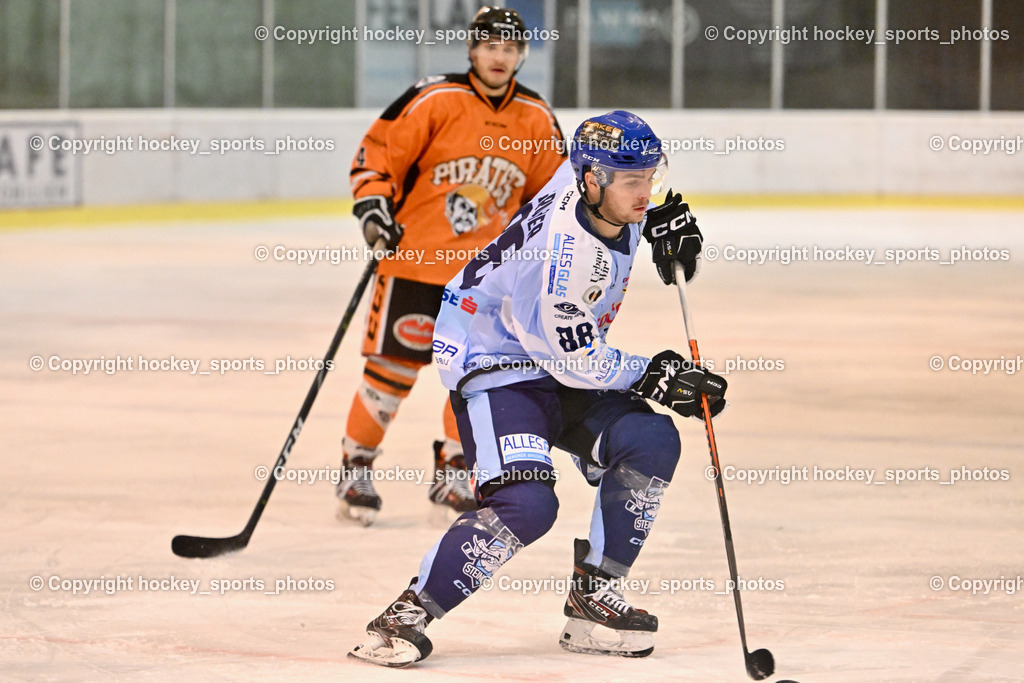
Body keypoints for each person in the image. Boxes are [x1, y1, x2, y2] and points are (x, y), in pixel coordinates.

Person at [348, 110, 728, 666]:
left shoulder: (585, 183)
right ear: (593, 181)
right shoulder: (564, 258)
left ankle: (593, 598)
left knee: (651, 440)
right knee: (526, 504)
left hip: (552, 356)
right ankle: (406, 614)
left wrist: (664, 219)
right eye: (633, 182)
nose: (645, 191)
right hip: (497, 363)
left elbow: (624, 201)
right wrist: (657, 375)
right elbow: (574, 359)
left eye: (652, 177)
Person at [338, 6, 566, 525]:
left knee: (475, 377)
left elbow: (554, 198)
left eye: (510, 48)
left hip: (485, 281)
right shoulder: (435, 98)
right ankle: (356, 466)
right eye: (491, 46)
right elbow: (377, 155)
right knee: (391, 373)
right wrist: (374, 206)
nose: (499, 57)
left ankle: (454, 472)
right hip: (416, 264)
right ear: (472, 49)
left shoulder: (535, 116)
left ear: (522, 55)